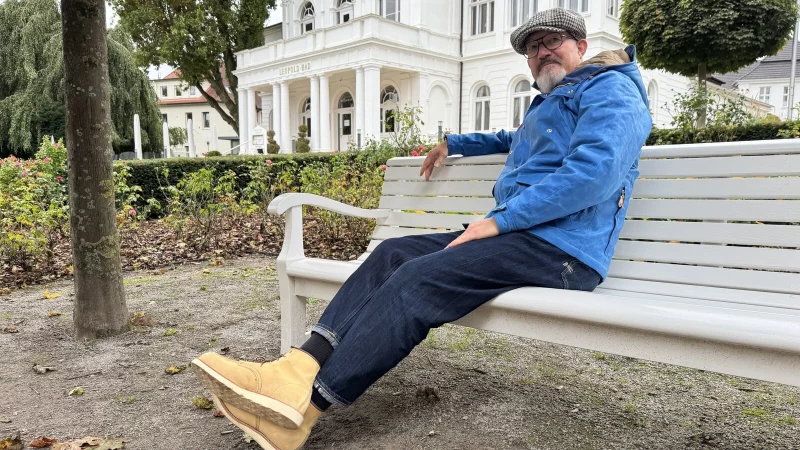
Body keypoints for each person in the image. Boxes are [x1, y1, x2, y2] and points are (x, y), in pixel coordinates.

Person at [191, 8, 652, 450]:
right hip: (524, 237)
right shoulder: (552, 102)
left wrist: (498, 221)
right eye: (533, 47)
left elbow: (595, 173)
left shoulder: (611, 89)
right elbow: (516, 141)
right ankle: (297, 367)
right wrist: (455, 142)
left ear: (582, 46)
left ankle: (303, 411)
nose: (542, 52)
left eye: (553, 41)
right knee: (393, 253)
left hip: (565, 249)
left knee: (417, 280)